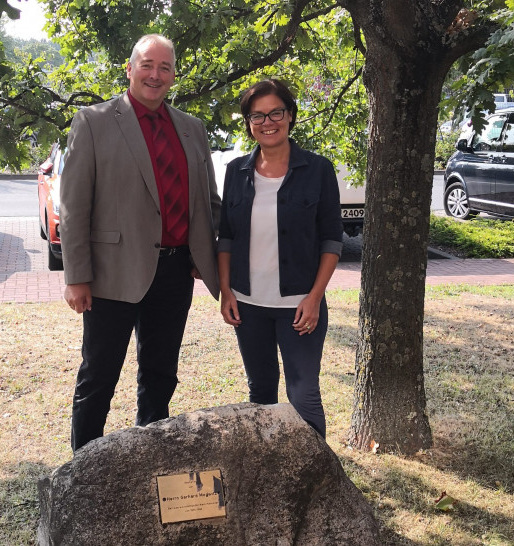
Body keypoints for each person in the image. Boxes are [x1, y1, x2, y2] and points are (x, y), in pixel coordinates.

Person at [60, 34, 221, 452]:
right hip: (111, 274)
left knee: (161, 373)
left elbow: (208, 200)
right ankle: (82, 472)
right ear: (129, 69)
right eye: (147, 65)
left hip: (175, 272)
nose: (155, 74)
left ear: (173, 76)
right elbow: (74, 206)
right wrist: (76, 276)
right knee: (99, 376)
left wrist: (201, 254)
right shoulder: (92, 121)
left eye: (165, 67)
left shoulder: (191, 129)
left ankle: (148, 461)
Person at [217, 79, 343, 438]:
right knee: (261, 393)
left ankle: (317, 482)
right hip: (248, 305)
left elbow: (331, 240)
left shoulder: (318, 170)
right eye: (257, 116)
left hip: (299, 305)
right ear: (248, 123)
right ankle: (268, 477)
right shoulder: (236, 172)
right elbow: (226, 236)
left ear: (290, 116)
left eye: (275, 112)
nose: (267, 122)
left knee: (303, 394)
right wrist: (226, 291)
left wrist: (315, 297)